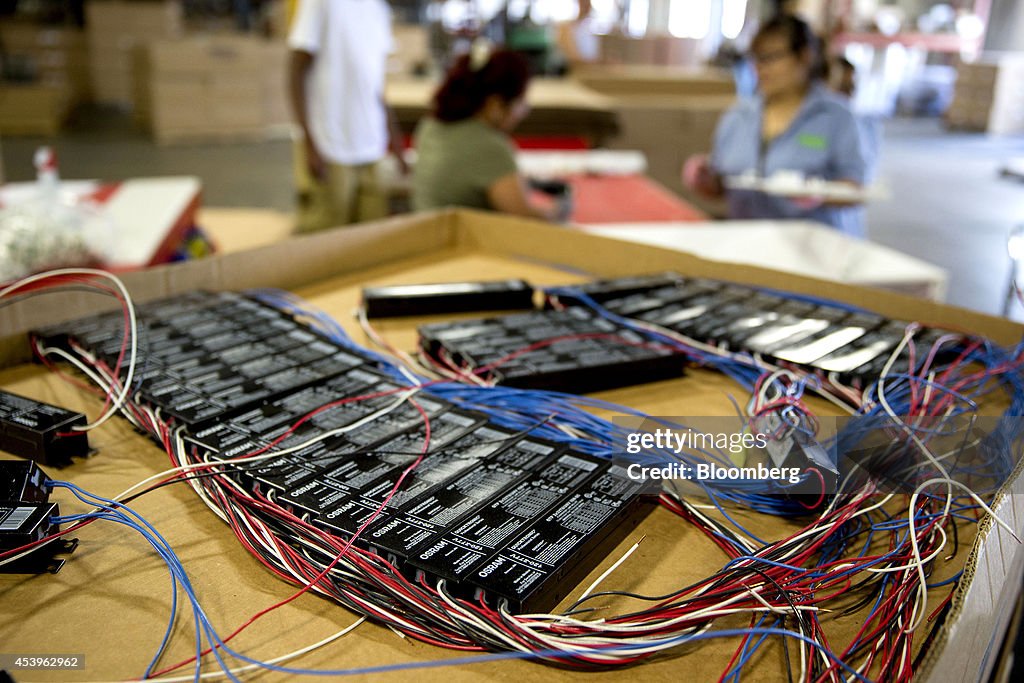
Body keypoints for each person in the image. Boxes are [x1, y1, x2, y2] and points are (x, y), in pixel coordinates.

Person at [684, 15, 867, 237]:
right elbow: (721, 186)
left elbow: (855, 189)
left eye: (772, 58)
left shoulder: (836, 117)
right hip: (746, 242)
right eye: (757, 59)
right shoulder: (738, 116)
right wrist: (704, 178)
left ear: (804, 56)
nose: (761, 68)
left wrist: (819, 193)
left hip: (812, 246)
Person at [288, 0, 408, 233]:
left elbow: (375, 83)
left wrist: (396, 144)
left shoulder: (378, 9)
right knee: (323, 243)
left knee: (370, 241)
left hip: (372, 147)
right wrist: (309, 143)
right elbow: (295, 71)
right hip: (331, 147)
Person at [412, 44, 566, 221]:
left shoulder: (430, 126)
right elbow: (526, 221)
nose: (523, 111)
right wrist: (556, 210)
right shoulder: (489, 147)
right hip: (462, 245)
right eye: (520, 102)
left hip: (428, 236)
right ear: (494, 105)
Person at [828, 55, 882, 182]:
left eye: (851, 81)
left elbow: (863, 171)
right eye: (843, 84)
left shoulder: (863, 123)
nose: (851, 87)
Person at [556, 0, 600, 72]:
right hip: (571, 73)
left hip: (589, 71)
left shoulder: (589, 28)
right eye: (583, 2)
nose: (587, 5)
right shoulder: (565, 27)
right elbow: (572, 59)